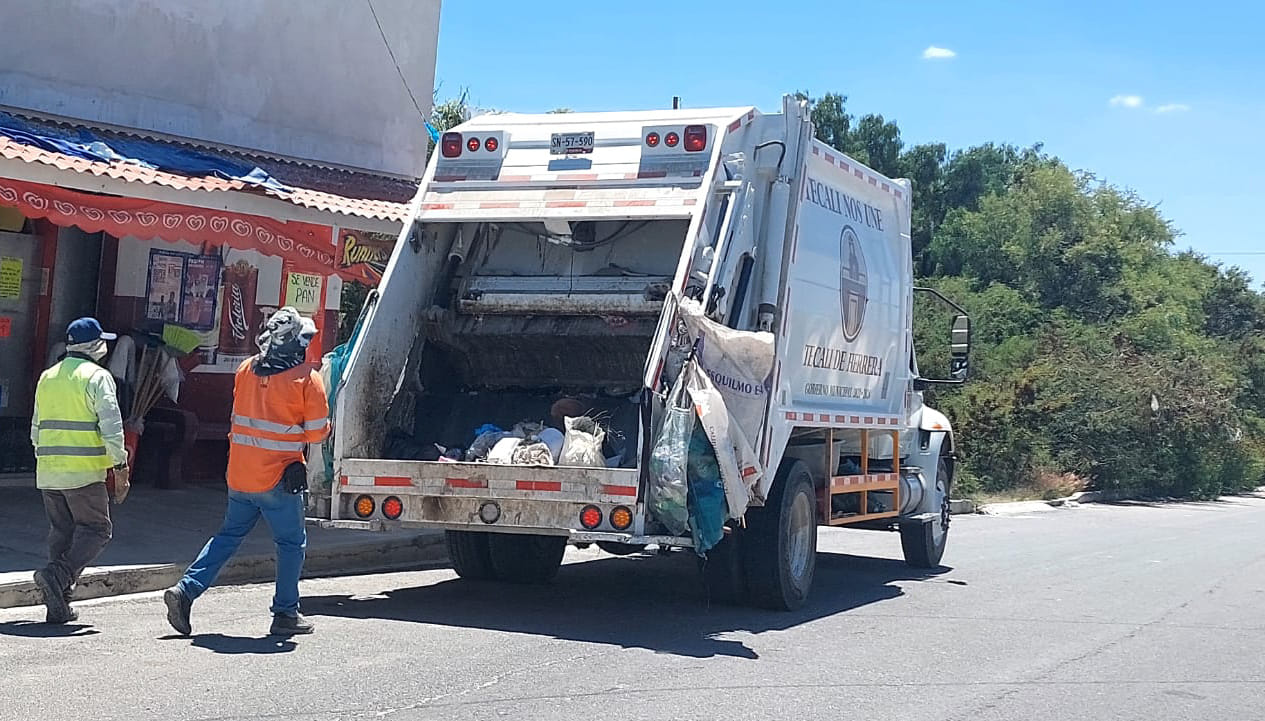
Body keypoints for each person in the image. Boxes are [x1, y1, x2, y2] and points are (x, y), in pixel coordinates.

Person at [163, 307, 329, 637]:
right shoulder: (306, 379)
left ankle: (186, 590)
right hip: (279, 480)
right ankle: (285, 614)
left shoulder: (245, 369)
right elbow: (316, 434)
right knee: (291, 543)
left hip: (240, 474)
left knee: (227, 536)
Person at [31, 317, 130, 624]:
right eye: (102, 341)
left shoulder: (48, 376)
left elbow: (36, 428)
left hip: (48, 471)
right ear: (94, 345)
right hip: (84, 473)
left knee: (62, 533)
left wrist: (44, 458)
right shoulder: (98, 377)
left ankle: (58, 605)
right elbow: (112, 427)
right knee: (97, 530)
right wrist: (121, 466)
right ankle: (56, 575)